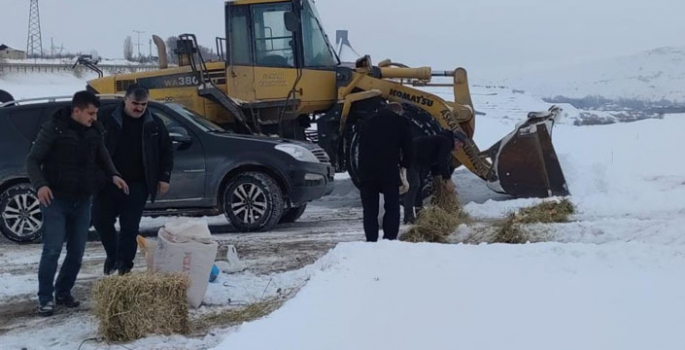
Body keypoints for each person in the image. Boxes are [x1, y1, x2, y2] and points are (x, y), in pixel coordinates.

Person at [26, 91, 129, 316]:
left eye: (96, 113)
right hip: (55, 198)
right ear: (77, 111)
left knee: (77, 252)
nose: (94, 117)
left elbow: (103, 156)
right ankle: (45, 298)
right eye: (90, 113)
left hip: (82, 199)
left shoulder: (94, 130)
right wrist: (40, 185)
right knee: (52, 249)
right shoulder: (54, 128)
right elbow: (32, 160)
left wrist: (114, 175)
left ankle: (63, 291)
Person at [92, 84, 174, 275]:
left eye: (143, 104)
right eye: (135, 103)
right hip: (107, 181)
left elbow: (166, 151)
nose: (139, 108)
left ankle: (124, 267)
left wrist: (164, 177)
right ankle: (113, 254)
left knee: (130, 227)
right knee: (101, 221)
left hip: (138, 183)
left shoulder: (154, 123)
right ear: (125, 100)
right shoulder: (106, 117)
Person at [357, 102, 413, 242]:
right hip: (389, 170)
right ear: (398, 112)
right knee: (392, 206)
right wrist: (405, 164)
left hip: (366, 171)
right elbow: (409, 147)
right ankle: (390, 238)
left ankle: (371, 239)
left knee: (370, 209)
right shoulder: (400, 122)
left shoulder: (368, 121)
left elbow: (360, 145)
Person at [403, 129, 467, 224]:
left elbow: (436, 161)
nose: (458, 149)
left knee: (419, 186)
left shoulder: (442, 141)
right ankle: (408, 217)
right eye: (460, 146)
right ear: (456, 140)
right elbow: (442, 161)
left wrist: (437, 177)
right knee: (414, 185)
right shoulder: (446, 142)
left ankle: (420, 213)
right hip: (410, 157)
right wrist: (448, 179)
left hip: (418, 161)